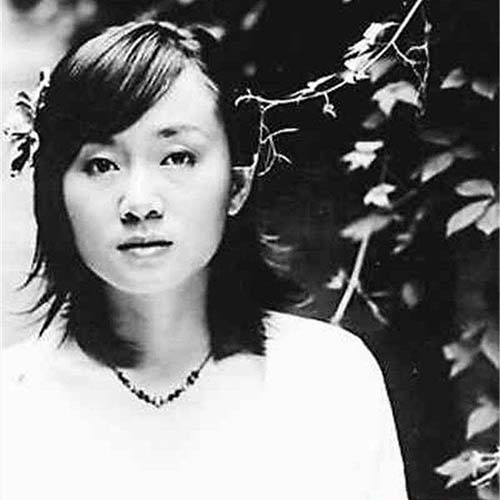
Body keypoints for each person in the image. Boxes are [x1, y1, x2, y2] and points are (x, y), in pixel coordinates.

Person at [1, 20, 408, 500]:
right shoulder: (14, 402)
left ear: (237, 184)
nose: (139, 202)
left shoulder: (329, 380)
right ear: (56, 193)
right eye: (101, 165)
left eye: (177, 157)